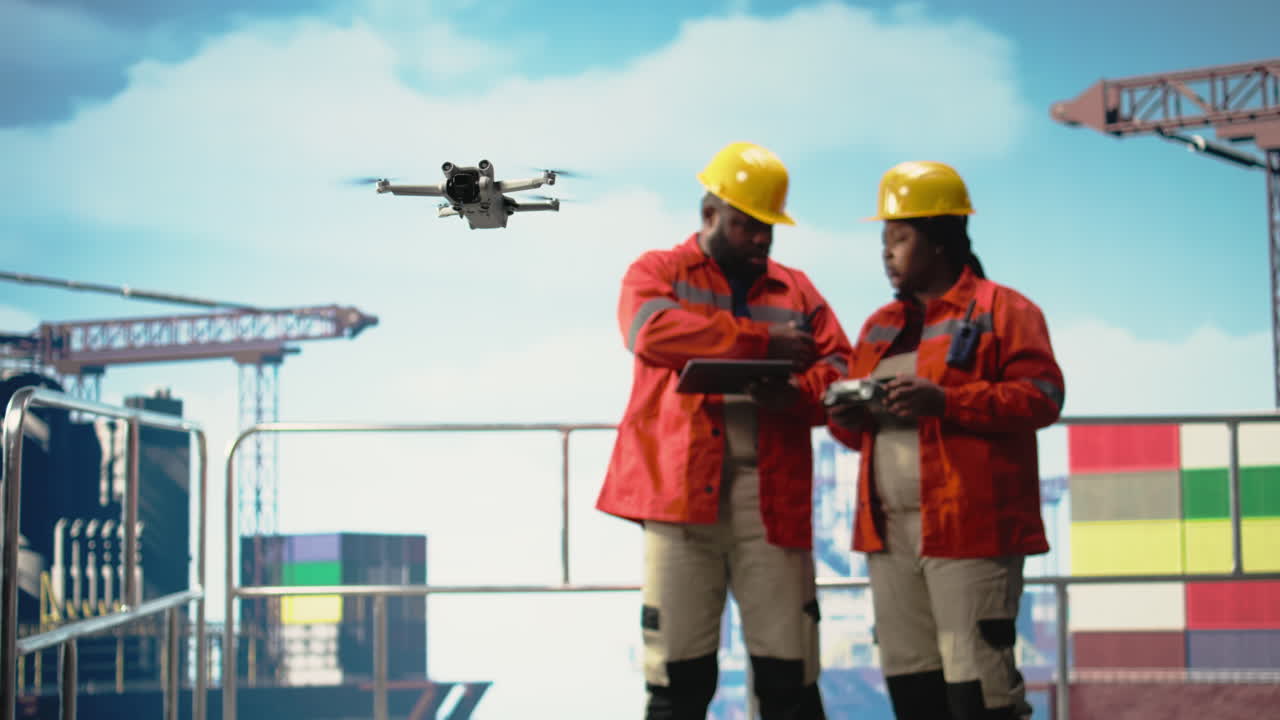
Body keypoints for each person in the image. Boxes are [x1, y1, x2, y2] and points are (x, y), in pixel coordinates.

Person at [596, 141, 853, 720]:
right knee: (678, 680)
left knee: (790, 677)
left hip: (772, 501)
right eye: (746, 226)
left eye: (768, 228)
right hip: (680, 500)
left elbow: (840, 370)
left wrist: (794, 396)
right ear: (709, 215)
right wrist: (761, 342)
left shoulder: (798, 290)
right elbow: (649, 331)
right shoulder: (655, 273)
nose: (760, 239)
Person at [826, 161, 1065, 720]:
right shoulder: (878, 327)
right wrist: (846, 412)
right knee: (915, 691)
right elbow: (852, 435)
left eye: (900, 238)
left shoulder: (1004, 311)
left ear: (939, 241)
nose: (886, 253)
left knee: (979, 694)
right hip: (889, 536)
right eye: (884, 240)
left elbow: (1043, 397)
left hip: (970, 532)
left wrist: (948, 402)